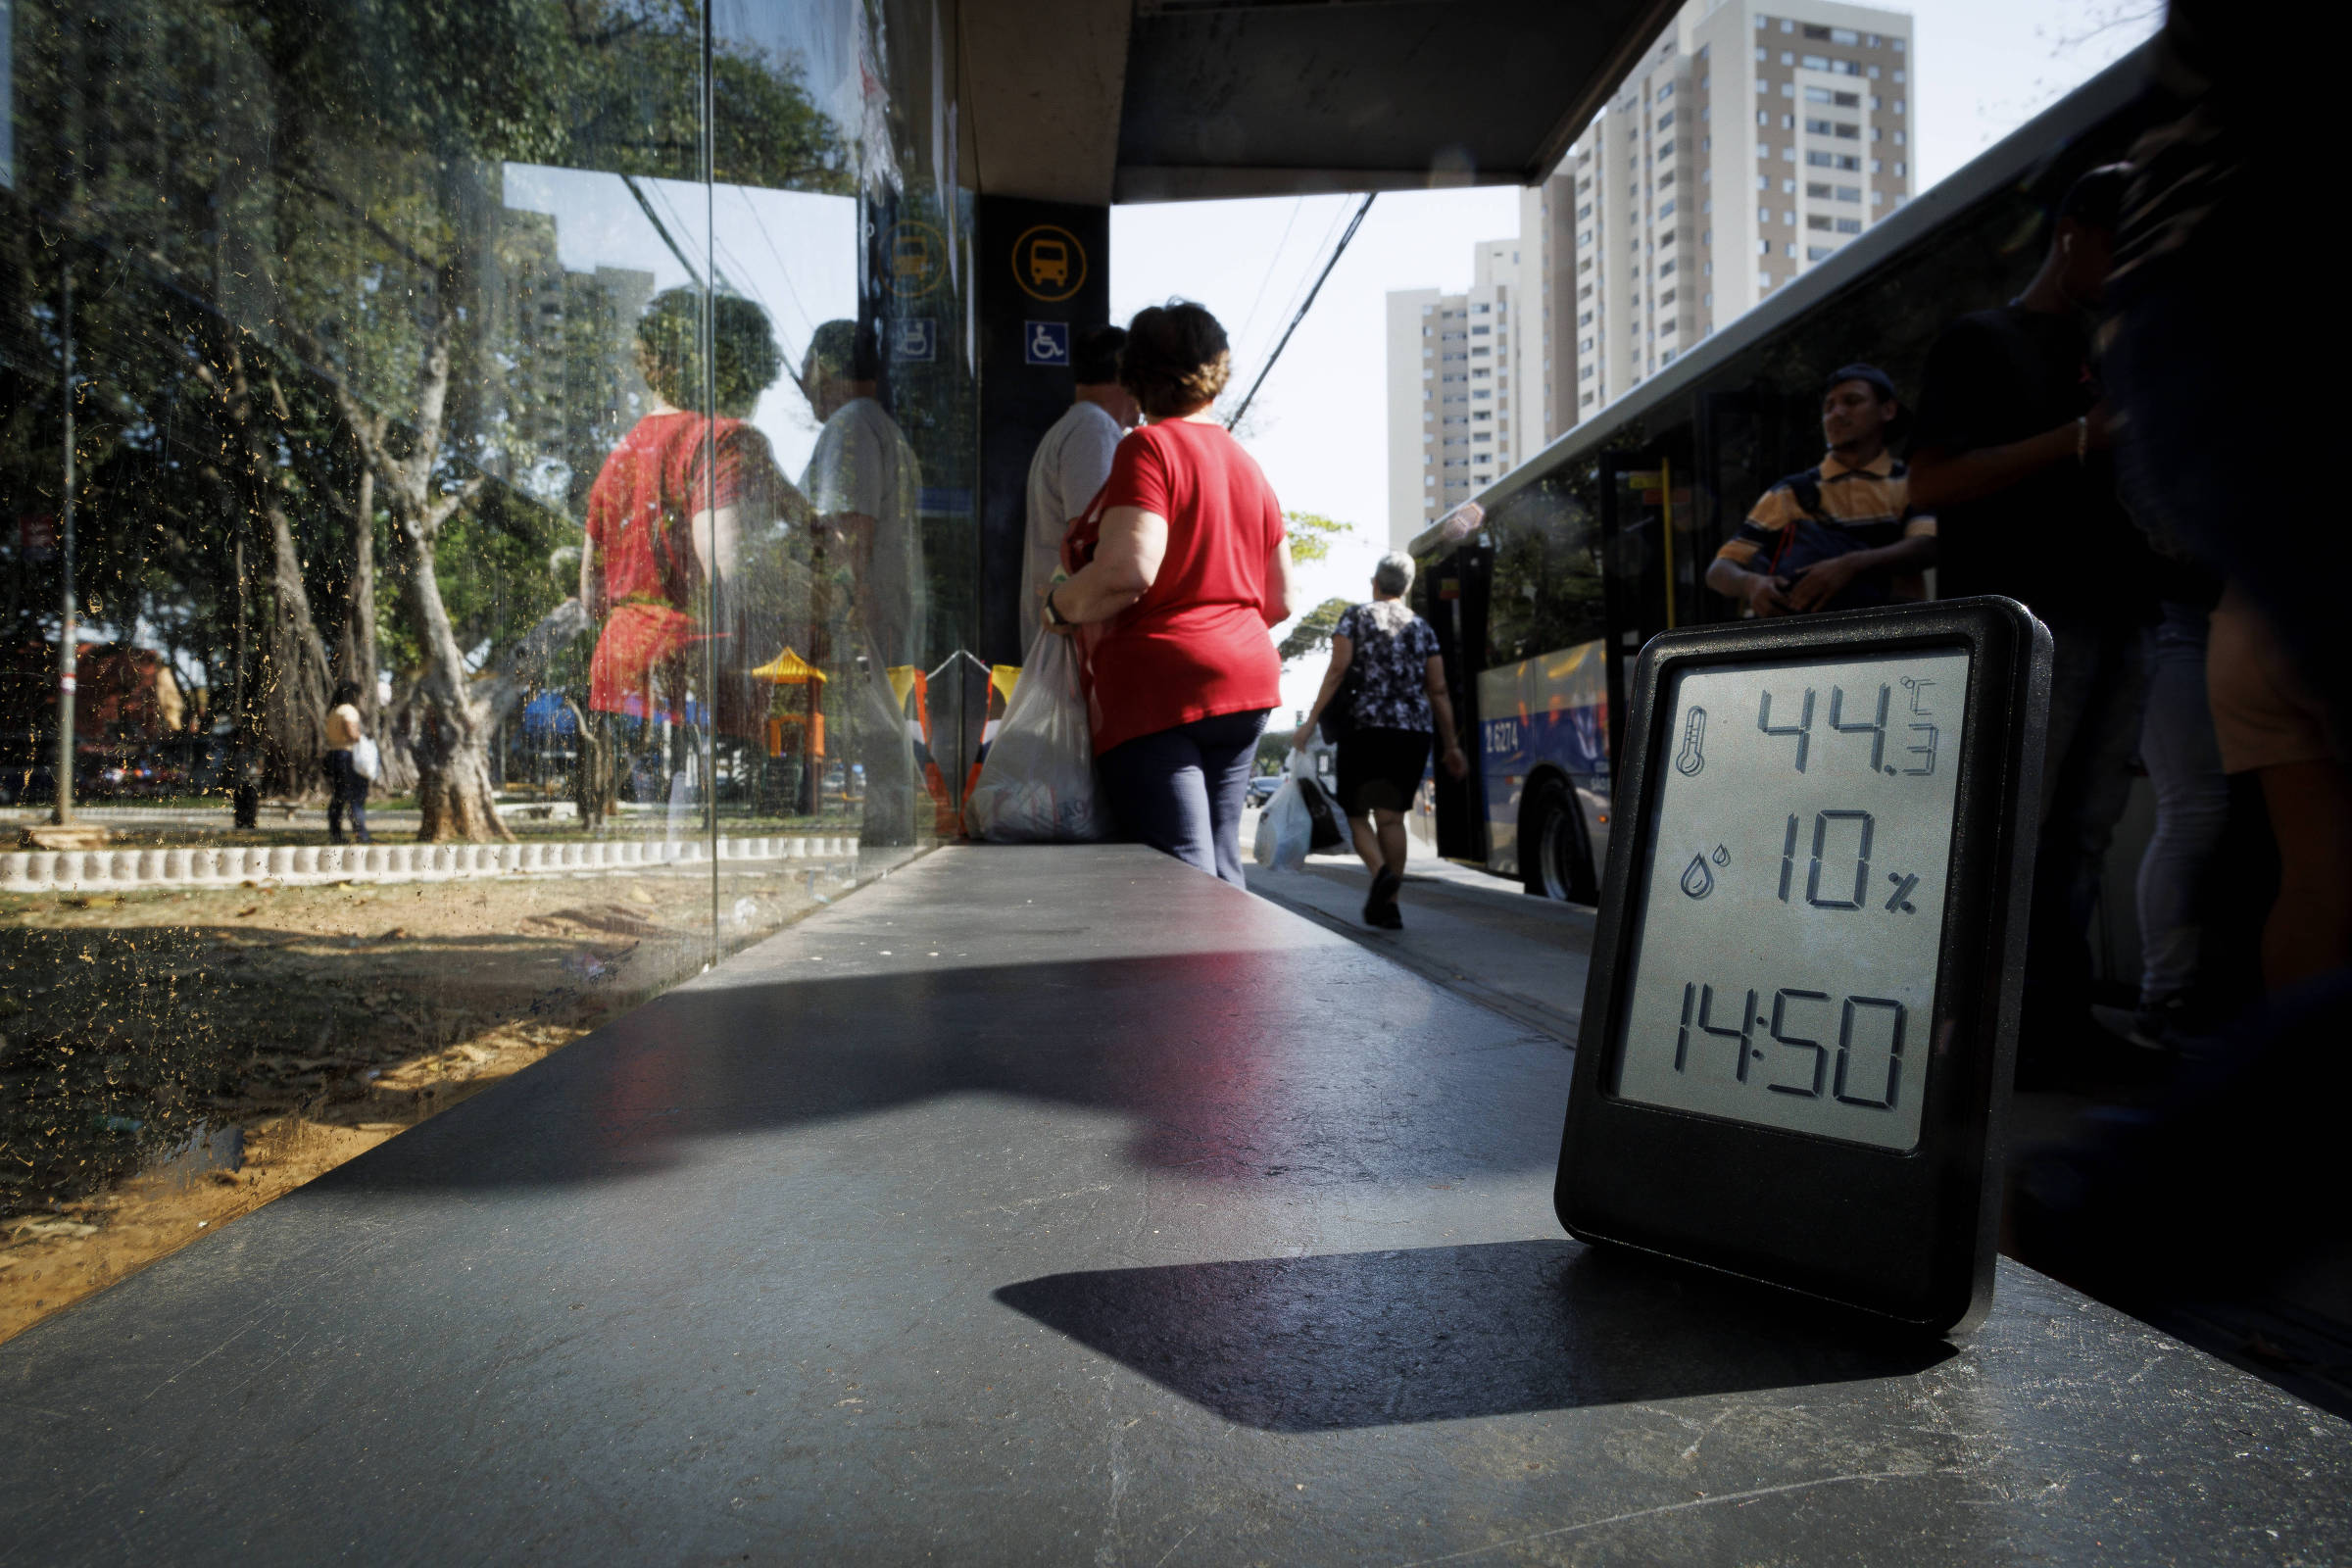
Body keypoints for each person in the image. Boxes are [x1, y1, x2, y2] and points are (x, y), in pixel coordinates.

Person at [1908, 166, 2160, 1083]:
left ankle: (2061, 1025)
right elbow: (1928, 485)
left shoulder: (2121, 341)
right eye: (2120, 245)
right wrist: (2078, 437)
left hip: (2127, 612)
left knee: (2085, 832)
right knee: (2017, 830)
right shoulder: (1984, 341)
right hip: (2032, 623)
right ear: (2072, 235)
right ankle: (1990, 1033)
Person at [1044, 300, 1298, 886]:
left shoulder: (1148, 448)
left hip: (1160, 688)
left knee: (1180, 874)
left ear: (1134, 375)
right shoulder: (1247, 463)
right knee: (1220, 865)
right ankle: (1236, 980)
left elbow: (1128, 570)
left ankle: (1196, 982)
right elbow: (1281, 597)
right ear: (1218, 370)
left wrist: (1059, 604)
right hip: (1245, 684)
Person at [581, 288, 797, 788]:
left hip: (619, 671)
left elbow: (591, 595)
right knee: (700, 841)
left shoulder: (620, 456)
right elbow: (730, 564)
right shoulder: (721, 439)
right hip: (691, 672)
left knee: (645, 847)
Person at [1295, 552, 1469, 928]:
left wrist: (1310, 722)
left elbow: (1338, 669)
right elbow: (1437, 690)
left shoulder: (1355, 616)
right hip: (1412, 732)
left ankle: (1380, 876)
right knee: (1391, 819)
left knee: (1357, 814)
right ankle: (1388, 905)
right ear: (1406, 588)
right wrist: (1452, 745)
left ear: (1374, 582)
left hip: (1365, 729)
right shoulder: (1422, 628)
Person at [802, 318, 924, 847]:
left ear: (823, 368)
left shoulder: (850, 425)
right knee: (886, 759)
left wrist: (845, 617)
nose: (805, 386)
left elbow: (851, 532)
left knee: (879, 756)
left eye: (807, 371)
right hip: (884, 622)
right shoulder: (880, 426)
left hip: (863, 624)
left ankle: (881, 861)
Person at [1704, 365, 1936, 616]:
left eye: (1852, 401)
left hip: (1894, 638)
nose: (1836, 413)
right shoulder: (1788, 493)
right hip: (1811, 645)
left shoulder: (1911, 483)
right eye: (1829, 406)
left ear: (1888, 410)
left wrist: (1849, 565)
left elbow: (1926, 547)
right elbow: (1719, 570)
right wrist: (1752, 585)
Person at [1020, 326, 1137, 651]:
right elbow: (1088, 543)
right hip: (1074, 636)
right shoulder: (1093, 430)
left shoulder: (1083, 425)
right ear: (1125, 377)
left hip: (1069, 627)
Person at [322, 681, 371, 846]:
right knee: (356, 796)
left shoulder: (333, 711)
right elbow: (352, 732)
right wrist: (363, 738)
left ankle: (335, 833)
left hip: (334, 754)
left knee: (339, 796)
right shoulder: (349, 711)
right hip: (347, 756)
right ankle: (361, 834)